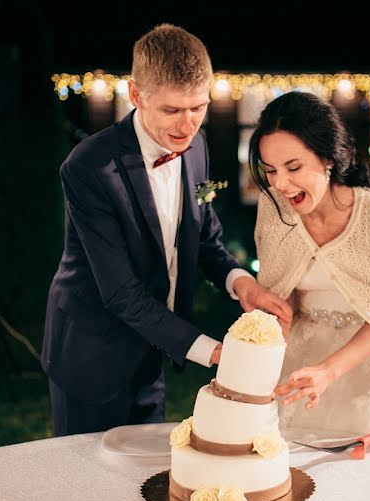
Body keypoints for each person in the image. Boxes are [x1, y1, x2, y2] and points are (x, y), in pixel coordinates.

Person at [41, 24, 291, 436]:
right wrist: (216, 353)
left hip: (152, 345)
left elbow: (205, 240)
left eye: (198, 108)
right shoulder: (88, 168)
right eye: (172, 110)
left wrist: (244, 284)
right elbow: (121, 293)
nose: (187, 125)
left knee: (145, 482)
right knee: (86, 488)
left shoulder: (197, 150)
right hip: (91, 354)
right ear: (137, 96)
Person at [248, 91, 370, 445]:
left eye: (293, 167)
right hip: (298, 366)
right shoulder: (273, 208)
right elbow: (278, 293)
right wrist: (273, 331)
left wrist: (328, 371)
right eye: (270, 170)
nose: (280, 184)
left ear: (327, 159)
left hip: (365, 367)